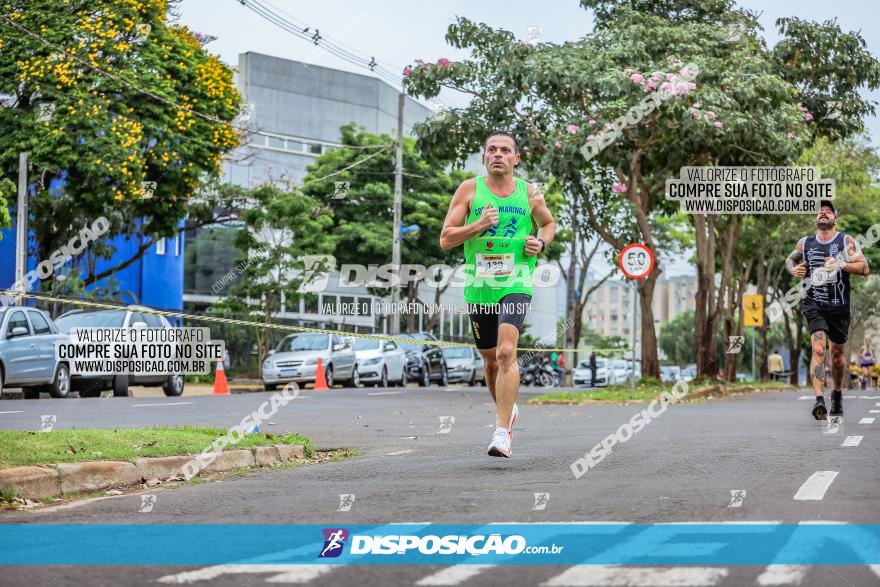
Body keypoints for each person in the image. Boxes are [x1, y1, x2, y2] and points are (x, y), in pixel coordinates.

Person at [440, 130, 556, 457]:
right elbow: (446, 238)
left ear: (516, 158)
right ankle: (508, 410)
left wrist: (541, 243)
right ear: (484, 156)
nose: (498, 154)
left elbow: (548, 224)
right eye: (492, 149)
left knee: (507, 352)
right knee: (490, 361)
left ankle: (502, 431)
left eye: (505, 150)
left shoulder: (530, 192)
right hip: (481, 286)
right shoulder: (469, 190)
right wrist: (477, 225)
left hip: (517, 280)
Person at [785, 200, 869, 419]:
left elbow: (864, 267)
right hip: (814, 304)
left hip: (839, 307)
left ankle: (837, 395)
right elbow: (789, 260)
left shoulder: (846, 241)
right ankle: (819, 400)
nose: (823, 213)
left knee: (837, 356)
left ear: (835, 218)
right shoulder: (805, 243)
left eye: (828, 211)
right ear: (816, 218)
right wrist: (793, 269)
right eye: (820, 212)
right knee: (819, 349)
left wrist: (841, 264)